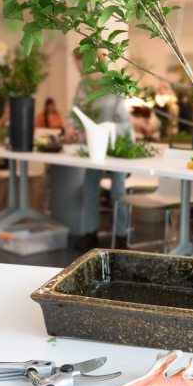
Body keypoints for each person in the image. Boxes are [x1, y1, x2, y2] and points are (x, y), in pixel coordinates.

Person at [68, 50, 133, 251]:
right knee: (89, 188)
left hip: (117, 146)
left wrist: (101, 131)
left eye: (82, 65)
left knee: (118, 191)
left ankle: (121, 237)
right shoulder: (83, 86)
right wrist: (70, 125)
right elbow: (75, 113)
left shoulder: (115, 84)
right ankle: (91, 233)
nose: (80, 71)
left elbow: (123, 123)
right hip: (95, 148)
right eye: (77, 66)